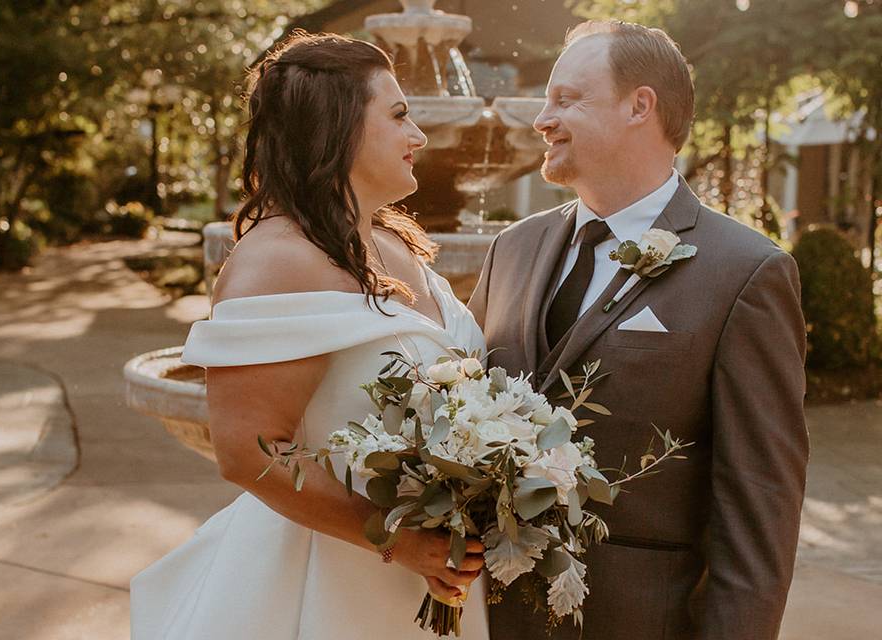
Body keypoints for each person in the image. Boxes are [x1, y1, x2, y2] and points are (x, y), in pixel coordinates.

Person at [130, 31, 490, 640]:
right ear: (338, 126)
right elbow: (248, 450)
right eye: (399, 115)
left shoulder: (395, 241)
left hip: (428, 578)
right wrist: (393, 538)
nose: (419, 137)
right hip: (327, 583)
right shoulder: (275, 261)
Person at [468, 20, 808, 640]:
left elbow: (758, 511)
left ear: (639, 106)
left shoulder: (746, 273)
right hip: (489, 619)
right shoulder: (510, 250)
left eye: (567, 99)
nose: (541, 119)